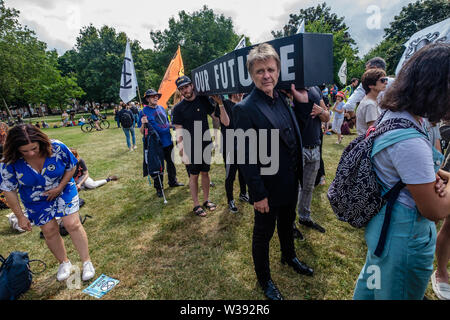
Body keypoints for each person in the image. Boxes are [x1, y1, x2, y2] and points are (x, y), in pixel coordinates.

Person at [353, 43, 450, 300]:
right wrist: (433, 187)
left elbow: (409, 172)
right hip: (403, 238)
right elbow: (434, 209)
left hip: (384, 229)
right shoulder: (410, 140)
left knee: (371, 286)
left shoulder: (393, 114)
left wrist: (433, 179)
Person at [233, 43, 313, 300]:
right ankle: (264, 280)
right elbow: (245, 157)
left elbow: (294, 130)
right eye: (259, 71)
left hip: (290, 181)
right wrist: (257, 194)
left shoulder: (282, 98)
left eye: (270, 69)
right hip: (267, 188)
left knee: (287, 224)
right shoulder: (244, 108)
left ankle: (289, 256)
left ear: (278, 70)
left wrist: (301, 102)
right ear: (251, 75)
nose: (266, 75)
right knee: (263, 234)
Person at [0, 124, 96, 282]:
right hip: (35, 199)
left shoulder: (57, 147)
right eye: (25, 151)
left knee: (72, 224)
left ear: (41, 142)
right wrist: (20, 217)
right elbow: (9, 190)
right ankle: (64, 263)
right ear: (15, 148)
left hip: (63, 188)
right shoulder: (7, 163)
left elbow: (71, 167)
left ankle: (87, 262)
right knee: (49, 230)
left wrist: (59, 187)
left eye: (34, 148)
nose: (31, 153)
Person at [172, 75, 228, 217]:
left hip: (206, 143)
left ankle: (206, 200)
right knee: (194, 175)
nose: (185, 90)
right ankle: (196, 205)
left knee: (205, 173)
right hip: (190, 146)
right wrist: (182, 152)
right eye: (181, 89)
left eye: (186, 86)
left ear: (192, 85)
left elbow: (214, 118)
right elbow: (178, 130)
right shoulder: (178, 108)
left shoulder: (202, 100)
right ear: (180, 91)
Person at [292, 83, 330, 239]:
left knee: (308, 186)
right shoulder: (290, 88)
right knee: (295, 189)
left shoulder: (315, 89)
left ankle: (304, 217)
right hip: (298, 147)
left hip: (314, 146)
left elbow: (327, 116)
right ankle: (289, 223)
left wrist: (321, 111)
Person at [138, 89, 183, 197]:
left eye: (156, 96)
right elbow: (141, 131)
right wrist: (144, 123)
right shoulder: (143, 112)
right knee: (158, 166)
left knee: (171, 163)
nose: (155, 98)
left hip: (167, 140)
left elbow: (166, 123)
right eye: (152, 96)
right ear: (147, 99)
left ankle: (173, 181)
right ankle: (159, 188)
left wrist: (176, 125)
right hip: (155, 144)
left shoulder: (161, 108)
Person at [214, 93, 249, 213]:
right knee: (230, 174)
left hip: (243, 143)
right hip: (230, 146)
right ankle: (230, 200)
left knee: (244, 171)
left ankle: (243, 193)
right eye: (238, 92)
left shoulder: (246, 103)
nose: (240, 94)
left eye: (241, 91)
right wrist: (220, 104)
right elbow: (226, 122)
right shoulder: (224, 104)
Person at [355, 69, 387, 136]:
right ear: (371, 85)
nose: (386, 82)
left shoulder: (371, 101)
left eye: (386, 79)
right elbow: (373, 132)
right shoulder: (370, 104)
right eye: (382, 80)